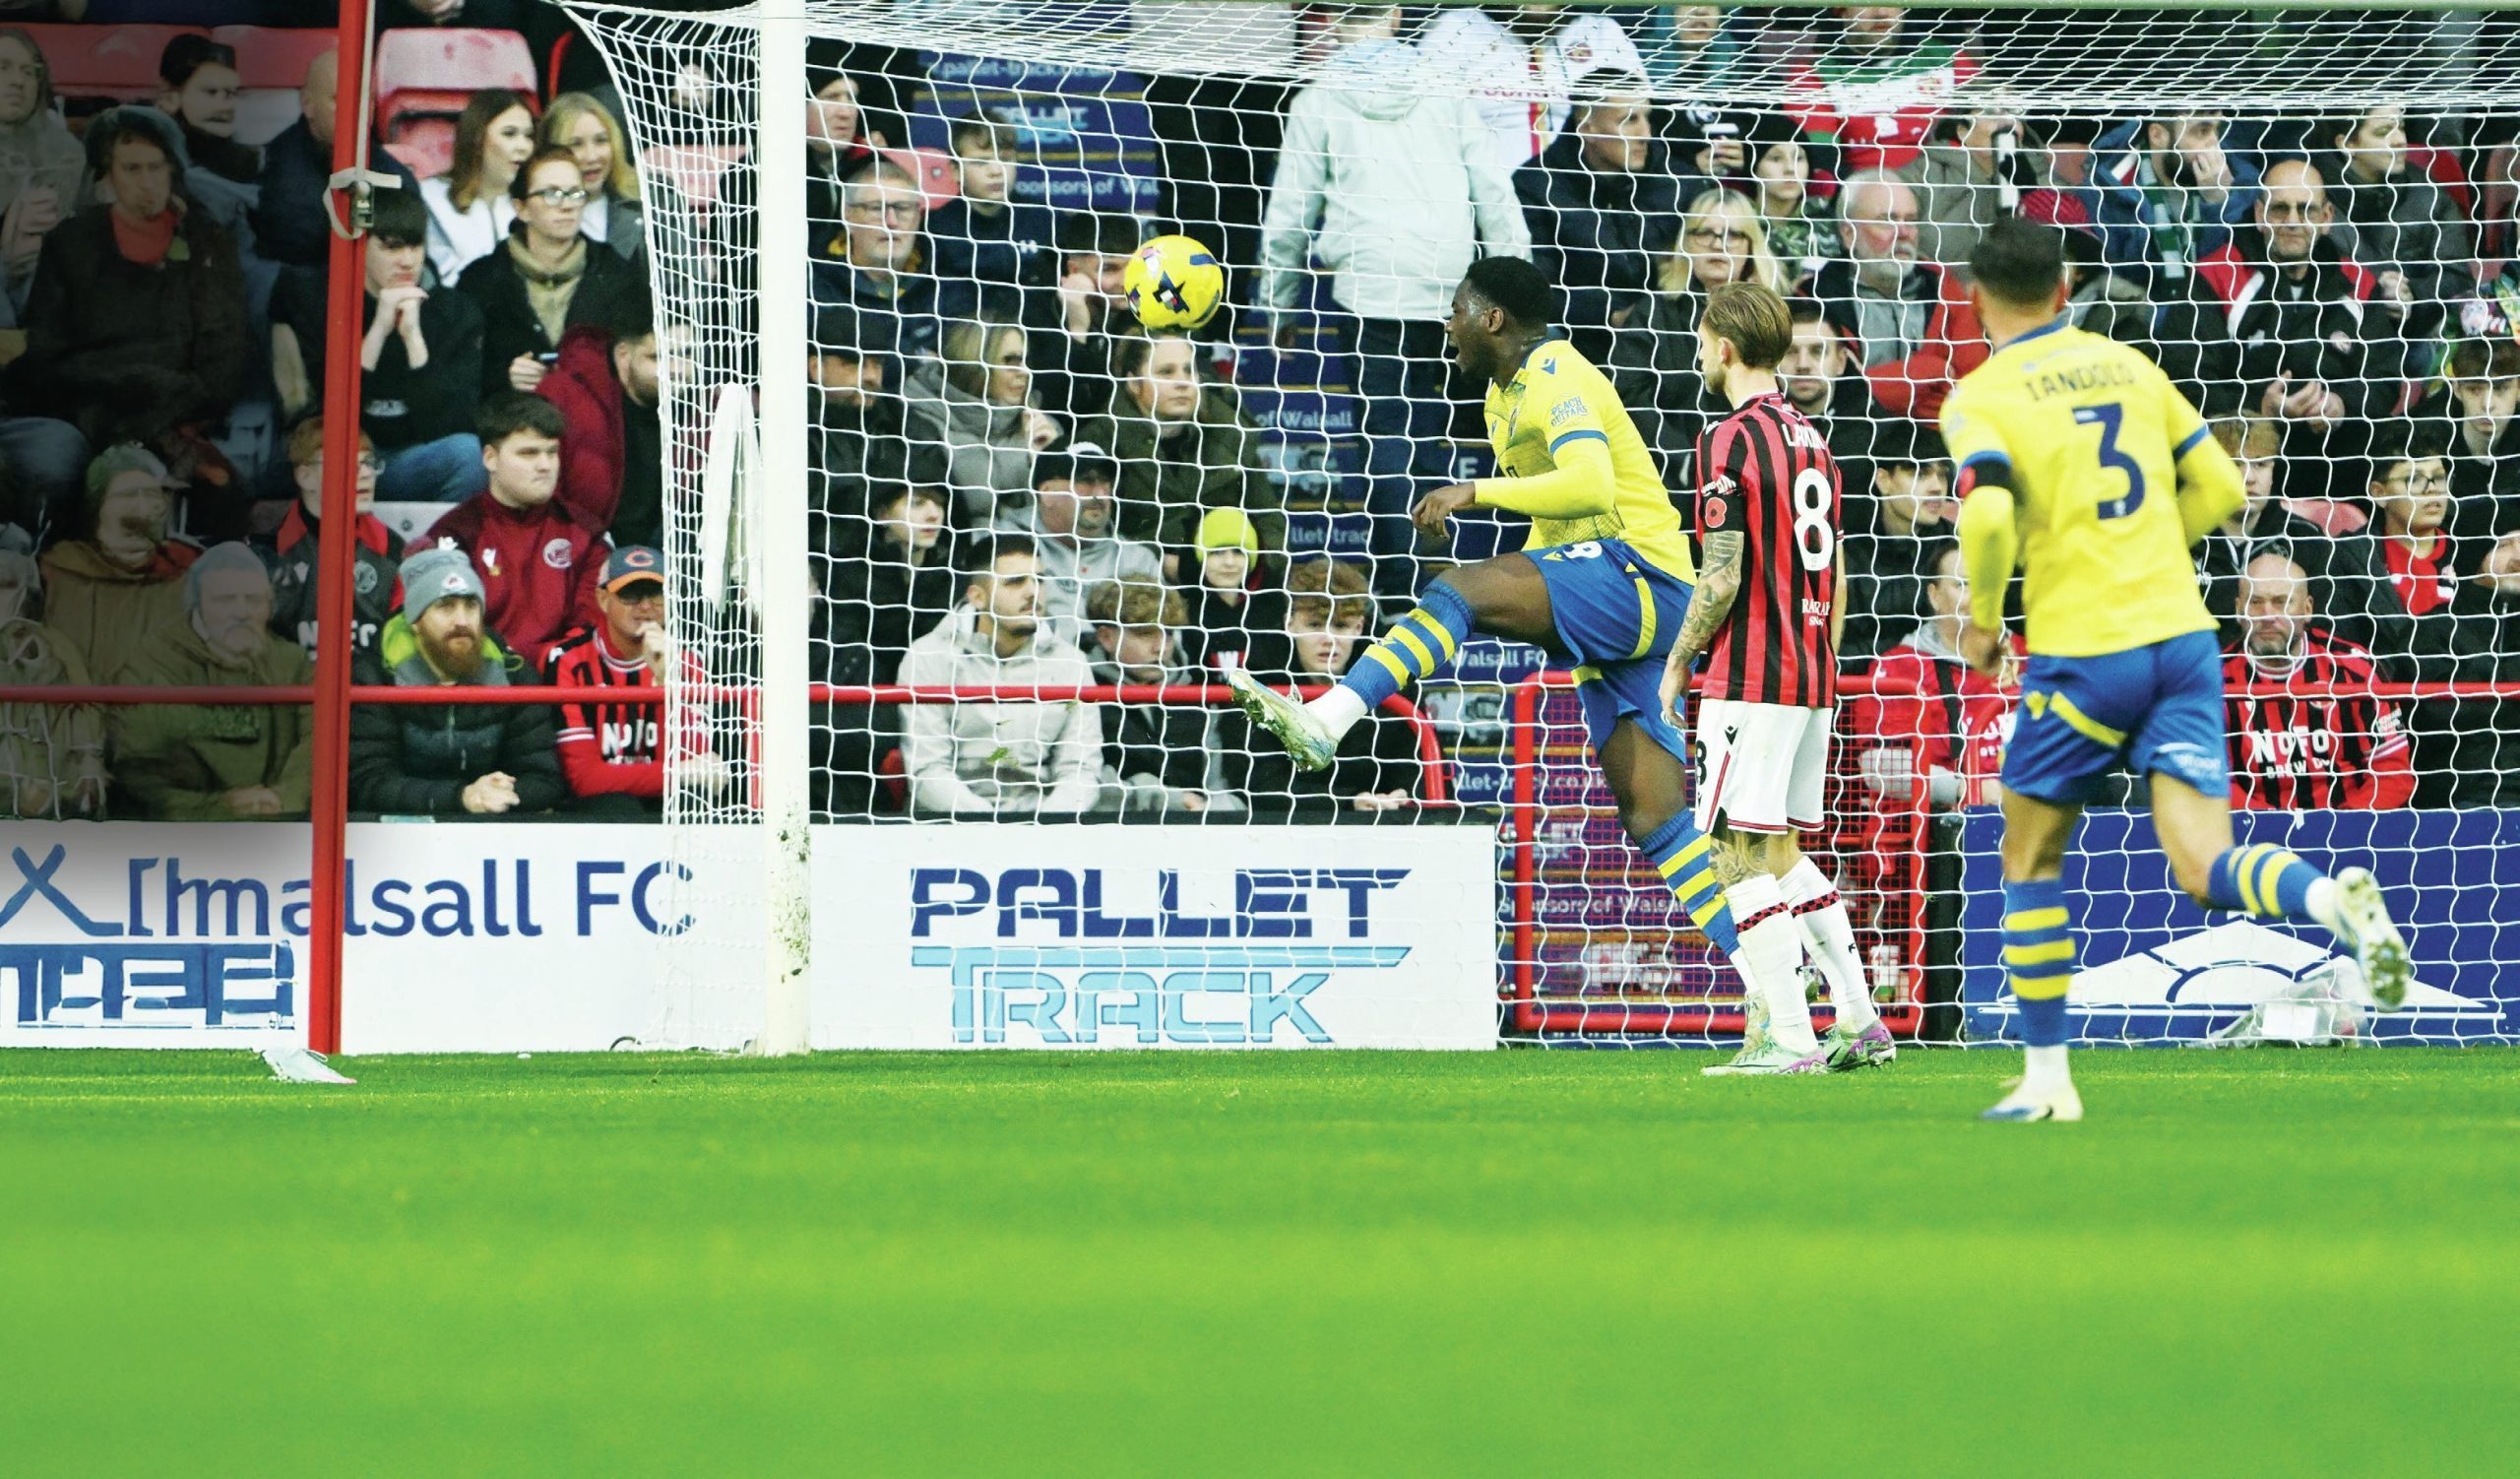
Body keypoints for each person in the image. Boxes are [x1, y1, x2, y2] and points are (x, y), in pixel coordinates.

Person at [1942, 217, 2405, 1123]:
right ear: (2065, 289)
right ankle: (2332, 901)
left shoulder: (1981, 396)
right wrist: (2149, 547)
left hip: (2088, 648)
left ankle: (2048, 1081)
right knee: (2204, 862)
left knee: (2029, 852)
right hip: (2186, 644)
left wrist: (1988, 623)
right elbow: (2225, 488)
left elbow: (1988, 518)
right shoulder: (2130, 367)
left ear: (1974, 298)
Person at [1228, 257, 1758, 1038]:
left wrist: (1474, 494)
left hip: (1643, 577)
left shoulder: (1557, 375)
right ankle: (1780, 987)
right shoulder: (1500, 396)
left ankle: (1329, 718)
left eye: (1455, 310)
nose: (1446, 326)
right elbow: (1558, 522)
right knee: (1656, 816)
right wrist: (1532, 593)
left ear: (1492, 318)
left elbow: (1590, 485)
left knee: (1463, 591)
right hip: (1621, 605)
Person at [1654, 279, 1886, 1075]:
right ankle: (1858, 1018)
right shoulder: (1813, 438)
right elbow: (1838, 571)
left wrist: (1679, 663)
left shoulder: (1729, 438)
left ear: (1723, 348)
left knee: (1733, 855)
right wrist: (1821, 660)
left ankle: (1789, 1036)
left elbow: (1721, 572)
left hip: (1751, 676)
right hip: (1812, 671)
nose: (1700, 353)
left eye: (1701, 340)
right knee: (1780, 850)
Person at [1260, 3, 1530, 597]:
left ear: (1334, 20)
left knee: (1388, 437)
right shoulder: (1445, 90)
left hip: (1370, 289)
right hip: (1452, 291)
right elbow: (1496, 195)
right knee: (1437, 431)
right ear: (1398, 14)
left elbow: (1288, 217)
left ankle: (1405, 588)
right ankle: (1460, 584)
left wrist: (1277, 303)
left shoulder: (1319, 99)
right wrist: (1519, 297)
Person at [10, 108, 250, 521]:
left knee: (223, 491)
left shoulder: (206, 242)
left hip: (179, 414)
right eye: (132, 169)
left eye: (156, 167)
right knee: (63, 468)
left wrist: (171, 411)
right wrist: (118, 394)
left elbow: (224, 351)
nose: (146, 182)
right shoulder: (71, 242)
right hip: (88, 412)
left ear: (173, 169)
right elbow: (46, 352)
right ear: (108, 175)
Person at [1850, 537, 2018, 1043]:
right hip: (1931, 841)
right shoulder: (1899, 665)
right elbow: (1877, 767)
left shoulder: (2033, 661)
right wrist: (1969, 788)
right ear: (1934, 594)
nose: (1975, 597)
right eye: (1962, 584)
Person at [272, 186, 485, 500]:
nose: (408, 261)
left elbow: (451, 423)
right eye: (392, 247)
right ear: (360, 246)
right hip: (337, 459)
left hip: (409, 459)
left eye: (415, 246)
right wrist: (377, 333)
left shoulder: (455, 312)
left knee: (468, 455)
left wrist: (414, 341)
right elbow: (319, 415)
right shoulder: (317, 303)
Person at [350, 545, 565, 818]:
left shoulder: (515, 674)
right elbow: (367, 782)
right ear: (415, 621)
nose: (462, 620)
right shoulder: (375, 677)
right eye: (446, 606)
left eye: (471, 605)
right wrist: (461, 797)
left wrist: (498, 793)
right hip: (402, 832)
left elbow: (544, 778)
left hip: (493, 826)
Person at [897, 536, 1102, 817]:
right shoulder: (928, 656)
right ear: (977, 597)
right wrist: (990, 827)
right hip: (947, 824)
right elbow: (928, 770)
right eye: (1015, 582)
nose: (1033, 592)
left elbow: (1081, 770)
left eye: (1039, 580)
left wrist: (1043, 824)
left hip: (1046, 824)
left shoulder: (1071, 663)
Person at [109, 544, 313, 821]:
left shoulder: (293, 663)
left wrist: (284, 798)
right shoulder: (153, 665)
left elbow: (319, 743)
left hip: (280, 824)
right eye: (225, 600)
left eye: (254, 600)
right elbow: (139, 773)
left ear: (270, 605)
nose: (241, 612)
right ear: (197, 604)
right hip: (185, 833)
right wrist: (216, 807)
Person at [1606, 185, 1784, 482]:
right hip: (1669, 476)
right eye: (1705, 232)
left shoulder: (1775, 316)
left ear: (1751, 246)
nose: (1718, 244)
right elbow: (1628, 395)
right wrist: (1686, 461)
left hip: (1758, 471)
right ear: (1686, 242)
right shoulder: (1653, 312)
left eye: (1733, 234)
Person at [418, 395, 604, 670]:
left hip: (562, 679)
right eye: (529, 453)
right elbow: (446, 632)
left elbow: (591, 627)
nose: (545, 465)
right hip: (482, 679)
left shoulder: (585, 533)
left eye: (552, 452)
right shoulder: (455, 534)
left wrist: (550, 666)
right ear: (490, 458)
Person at [1220, 557, 1418, 816]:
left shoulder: (1393, 681)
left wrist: (1401, 794)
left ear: (1359, 627)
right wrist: (1348, 803)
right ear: (1289, 623)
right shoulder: (1256, 683)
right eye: (1314, 625)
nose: (1328, 639)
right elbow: (1256, 781)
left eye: (1340, 626)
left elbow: (1413, 769)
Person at [2222, 549, 2414, 812]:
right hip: (2251, 830)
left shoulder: (2355, 669)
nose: (2267, 615)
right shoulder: (2213, 679)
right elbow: (2211, 780)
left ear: (2307, 608)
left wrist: (2340, 825)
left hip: (2350, 827)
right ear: (2238, 609)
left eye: (2281, 602)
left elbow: (2393, 772)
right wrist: (2269, 824)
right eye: (2255, 602)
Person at [458, 147, 651, 399]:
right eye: (551, 194)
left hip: (597, 415)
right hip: (511, 416)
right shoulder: (481, 280)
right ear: (521, 208)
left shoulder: (618, 274)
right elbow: (459, 371)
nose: (567, 205)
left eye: (575, 194)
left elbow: (637, 364)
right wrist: (504, 377)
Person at [542, 546, 721, 815]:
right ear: (603, 599)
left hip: (666, 802)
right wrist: (677, 773)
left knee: (692, 804)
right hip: (596, 811)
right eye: (630, 595)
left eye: (656, 594)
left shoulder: (688, 662)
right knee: (618, 807)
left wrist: (666, 681)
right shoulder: (567, 660)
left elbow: (699, 765)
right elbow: (584, 779)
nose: (646, 607)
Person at [1512, 79, 1679, 363]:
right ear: (1587, 128)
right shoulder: (1537, 185)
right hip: (1578, 343)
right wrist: (1609, 314)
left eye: (1646, 118)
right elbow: (1533, 289)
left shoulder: (1675, 181)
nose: (1646, 134)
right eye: (1629, 120)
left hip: (1667, 337)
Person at [1073, 334, 1282, 558]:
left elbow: (1270, 524)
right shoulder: (1098, 442)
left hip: (1226, 574)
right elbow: (1089, 532)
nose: (1183, 382)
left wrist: (1250, 568)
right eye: (1166, 372)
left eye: (1189, 371)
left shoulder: (1232, 434)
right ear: (1134, 383)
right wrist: (1157, 561)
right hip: (1135, 574)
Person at [1813, 167, 1986, 423]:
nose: (1904, 232)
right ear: (1849, 234)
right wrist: (1930, 370)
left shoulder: (1944, 288)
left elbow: (1976, 386)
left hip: (1939, 439)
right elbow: (1823, 395)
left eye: (1911, 220)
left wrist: (1873, 385)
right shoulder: (1814, 298)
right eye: (1887, 220)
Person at [1419, 3, 1648, 174]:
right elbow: (1427, 133)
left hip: (1585, 201)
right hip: (1484, 197)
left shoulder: (1602, 34)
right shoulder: (1455, 30)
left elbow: (1643, 120)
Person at [37, 445, 196, 681]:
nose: (143, 508)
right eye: (129, 495)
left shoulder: (184, 570)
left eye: (152, 495)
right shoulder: (57, 569)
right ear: (97, 507)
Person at [254, 47, 415, 276]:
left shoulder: (396, 178)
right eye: (341, 99)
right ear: (308, 104)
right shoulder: (271, 172)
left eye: (366, 100)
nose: (357, 111)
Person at [2313, 103, 2471, 336]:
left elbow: (2458, 278)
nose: (2400, 140)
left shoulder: (2430, 195)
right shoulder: (2311, 200)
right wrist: (2376, 288)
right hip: (2337, 336)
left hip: (2417, 334)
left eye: (2401, 127)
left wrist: (2413, 294)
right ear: (2347, 144)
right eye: (2383, 132)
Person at [259, 417, 401, 663]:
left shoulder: (392, 548)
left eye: (369, 463)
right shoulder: (268, 552)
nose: (367, 474)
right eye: (348, 462)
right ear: (306, 477)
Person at [995, 440, 1161, 646]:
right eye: (1085, 481)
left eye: (1105, 481)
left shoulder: (1138, 560)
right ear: (1048, 493)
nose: (1100, 494)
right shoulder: (1002, 544)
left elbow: (1167, 640)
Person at [1782, 6, 1978, 174]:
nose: (1882, 12)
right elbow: (1821, 165)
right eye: (1867, 2)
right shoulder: (1814, 74)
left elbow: (1985, 135)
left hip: (1952, 185)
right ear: (1841, 9)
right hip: (1869, 192)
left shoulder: (1947, 59)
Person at [907, 313, 1060, 528]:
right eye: (1011, 361)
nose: (1025, 372)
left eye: (1026, 361)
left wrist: (1050, 463)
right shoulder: (917, 422)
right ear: (975, 363)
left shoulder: (1043, 427)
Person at [2084, 109, 2259, 293]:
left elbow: (2234, 275)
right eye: (2202, 131)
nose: (2214, 143)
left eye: (2217, 130)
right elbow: (2126, 275)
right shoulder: (2106, 188)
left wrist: (2219, 203)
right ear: (2157, 135)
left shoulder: (2240, 178)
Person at [1083, 577, 1214, 815]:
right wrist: (1170, 800)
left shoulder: (1199, 693)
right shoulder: (1083, 693)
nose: (1160, 647)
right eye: (1145, 634)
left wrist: (1219, 812)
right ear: (1106, 637)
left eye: (1168, 634)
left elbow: (1224, 781)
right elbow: (1084, 785)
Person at [538, 306, 666, 546]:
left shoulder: (707, 409)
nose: (676, 369)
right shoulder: (565, 395)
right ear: (623, 355)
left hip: (671, 552)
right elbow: (540, 492)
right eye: (658, 357)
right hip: (584, 547)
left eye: (687, 354)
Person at [0, 536, 106, 819]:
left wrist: (87, 771)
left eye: (5, 585)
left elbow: (85, 716)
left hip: (58, 805)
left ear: (26, 589)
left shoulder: (59, 649)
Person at [1840, 420, 1958, 663]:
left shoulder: (1956, 549)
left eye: (1942, 475)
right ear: (1884, 480)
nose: (1937, 487)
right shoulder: (1845, 549)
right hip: (1856, 684)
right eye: (1920, 474)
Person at [924, 110, 1056, 314]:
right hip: (962, 330)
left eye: (1005, 159)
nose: (996, 171)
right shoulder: (934, 229)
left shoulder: (1044, 219)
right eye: (981, 161)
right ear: (955, 170)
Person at [812, 157, 941, 363]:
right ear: (848, 216)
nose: (891, 221)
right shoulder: (813, 288)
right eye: (876, 209)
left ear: (919, 217)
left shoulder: (944, 283)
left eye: (903, 208)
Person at [0, 27, 89, 314]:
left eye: (29, 72)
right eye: (3, 68)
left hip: (44, 283)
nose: (18, 81)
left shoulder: (65, 152)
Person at [420, 90, 536, 285]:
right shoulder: (431, 197)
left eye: (529, 136)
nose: (523, 146)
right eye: (509, 134)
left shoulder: (537, 203)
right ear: (477, 138)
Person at [539, 93, 644, 268]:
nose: (592, 157)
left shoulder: (656, 200)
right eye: (576, 144)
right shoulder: (533, 214)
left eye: (601, 140)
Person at [1180, 506, 1275, 674]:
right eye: (1217, 552)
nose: (1229, 562)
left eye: (1238, 552)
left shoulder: (1277, 610)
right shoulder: (1182, 614)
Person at [155, 35, 255, 188]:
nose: (227, 106)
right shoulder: (147, 157)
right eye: (211, 92)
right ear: (169, 95)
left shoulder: (249, 162)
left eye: (231, 93)